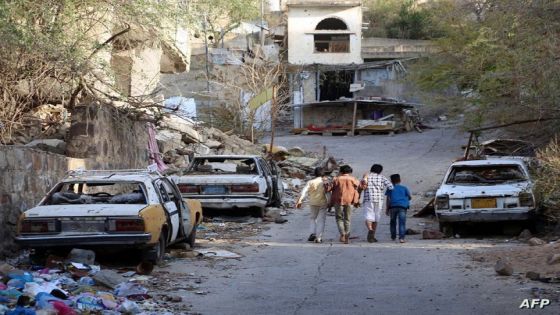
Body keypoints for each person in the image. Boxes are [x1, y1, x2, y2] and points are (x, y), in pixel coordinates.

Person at [296, 167, 331, 243]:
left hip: (313, 203)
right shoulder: (325, 182)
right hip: (323, 203)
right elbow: (328, 193)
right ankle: (319, 237)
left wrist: (300, 201)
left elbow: (303, 192)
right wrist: (330, 202)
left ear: (315, 173)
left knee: (313, 218)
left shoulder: (310, 182)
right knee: (321, 220)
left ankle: (312, 233)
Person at [361, 164, 393, 243]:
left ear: (371, 169)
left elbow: (361, 186)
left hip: (368, 198)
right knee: (376, 217)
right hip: (379, 199)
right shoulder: (382, 177)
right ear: (380, 171)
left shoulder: (367, 176)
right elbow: (391, 187)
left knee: (368, 215)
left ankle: (370, 230)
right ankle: (373, 236)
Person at [330, 165, 360, 244]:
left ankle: (342, 234)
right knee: (347, 219)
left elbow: (329, 188)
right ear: (350, 172)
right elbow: (359, 187)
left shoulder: (337, 179)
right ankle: (347, 234)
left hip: (338, 201)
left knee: (339, 218)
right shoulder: (353, 179)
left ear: (341, 171)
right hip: (350, 201)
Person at [386, 174, 412, 243]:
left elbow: (388, 199)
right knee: (402, 222)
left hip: (393, 207)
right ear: (400, 180)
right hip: (402, 207)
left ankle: (393, 236)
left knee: (393, 222)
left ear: (391, 181)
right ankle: (401, 238)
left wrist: (387, 209)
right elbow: (409, 197)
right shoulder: (404, 188)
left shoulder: (390, 188)